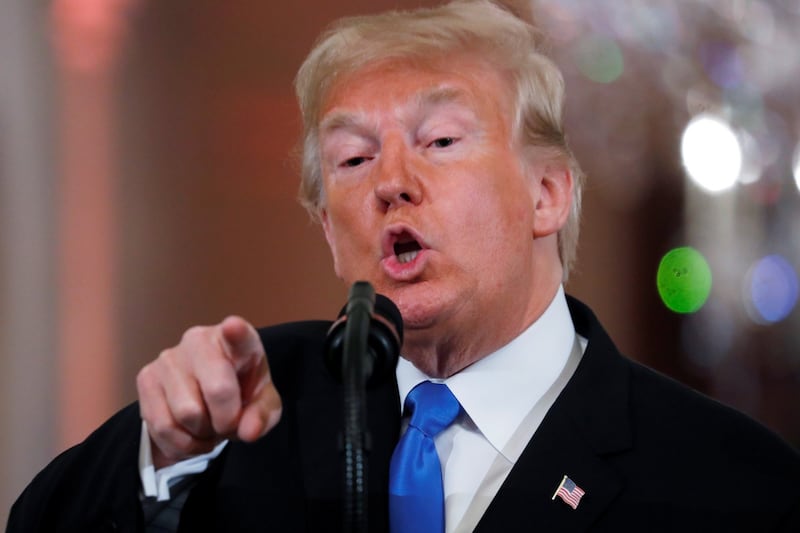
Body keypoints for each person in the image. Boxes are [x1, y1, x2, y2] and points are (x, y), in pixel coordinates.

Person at [8, 1, 800, 531]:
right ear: (329, 230)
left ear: (547, 194)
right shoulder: (246, 407)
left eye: (440, 141)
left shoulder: (734, 482)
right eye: (354, 158)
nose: (390, 181)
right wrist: (163, 456)